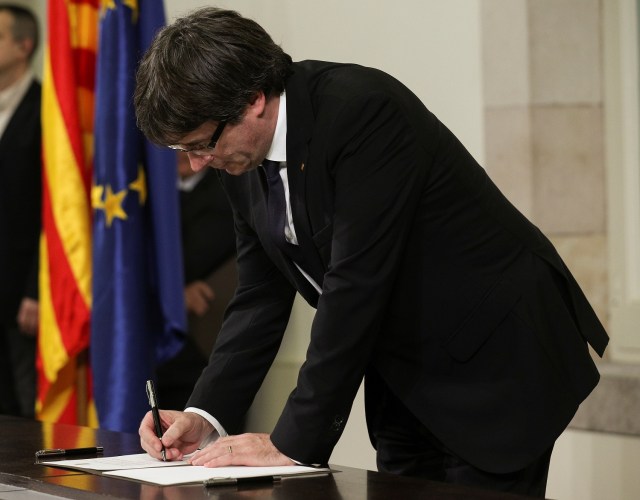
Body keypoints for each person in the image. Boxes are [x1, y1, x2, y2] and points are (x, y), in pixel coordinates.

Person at [134, 7, 609, 497]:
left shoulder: (361, 110)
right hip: (407, 375)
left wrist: (292, 442)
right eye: (181, 150)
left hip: (496, 362)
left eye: (200, 144)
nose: (195, 163)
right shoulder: (236, 156)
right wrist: (204, 414)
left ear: (253, 100)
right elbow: (259, 294)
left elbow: (354, 284)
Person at [156, 151, 236, 410]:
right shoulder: (143, 192)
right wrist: (171, 296)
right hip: (150, 344)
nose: (180, 155)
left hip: (206, 337)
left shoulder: (231, 189)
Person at [0, 4, 41, 418]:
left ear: (23, 45)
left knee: (24, 409)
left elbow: (55, 212)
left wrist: (36, 288)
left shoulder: (46, 112)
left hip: (23, 294)